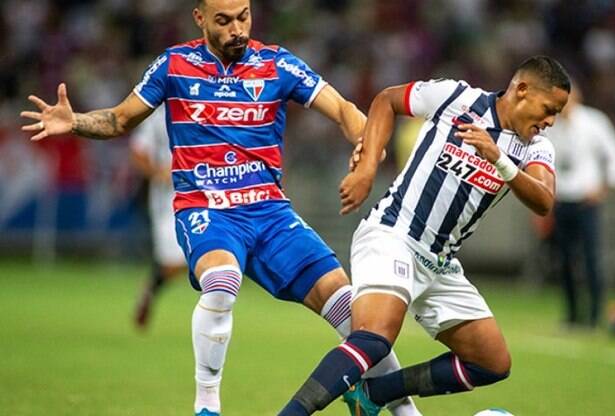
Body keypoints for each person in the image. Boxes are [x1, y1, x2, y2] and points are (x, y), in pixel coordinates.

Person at [20, 1, 419, 415]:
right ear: (200, 18)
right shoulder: (173, 65)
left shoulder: (277, 64)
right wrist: (77, 122)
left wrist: (366, 152)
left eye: (243, 16)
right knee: (223, 280)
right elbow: (121, 120)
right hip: (206, 210)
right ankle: (207, 407)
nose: (237, 29)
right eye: (224, 21)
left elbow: (342, 109)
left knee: (356, 312)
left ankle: (402, 411)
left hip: (270, 213)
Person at [279, 56, 571, 416]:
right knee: (374, 340)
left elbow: (544, 199)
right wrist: (368, 167)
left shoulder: (536, 147)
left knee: (492, 363)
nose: (550, 121)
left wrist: (499, 159)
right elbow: (386, 100)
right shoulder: (457, 98)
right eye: (549, 109)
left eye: (556, 113)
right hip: (394, 235)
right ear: (522, 89)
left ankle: (374, 393)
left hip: (440, 263)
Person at [547, 84, 615, 327]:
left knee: (590, 259)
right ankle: (573, 315)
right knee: (564, 260)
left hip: (587, 201)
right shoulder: (551, 125)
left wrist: (606, 187)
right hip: (562, 201)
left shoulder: (594, 122)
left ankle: (594, 316)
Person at [129, 106, 188, 329]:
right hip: (168, 198)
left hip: (204, 192)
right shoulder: (157, 115)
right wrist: (157, 172)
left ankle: (215, 312)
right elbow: (138, 152)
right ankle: (150, 289)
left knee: (198, 258)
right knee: (173, 262)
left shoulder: (207, 101)